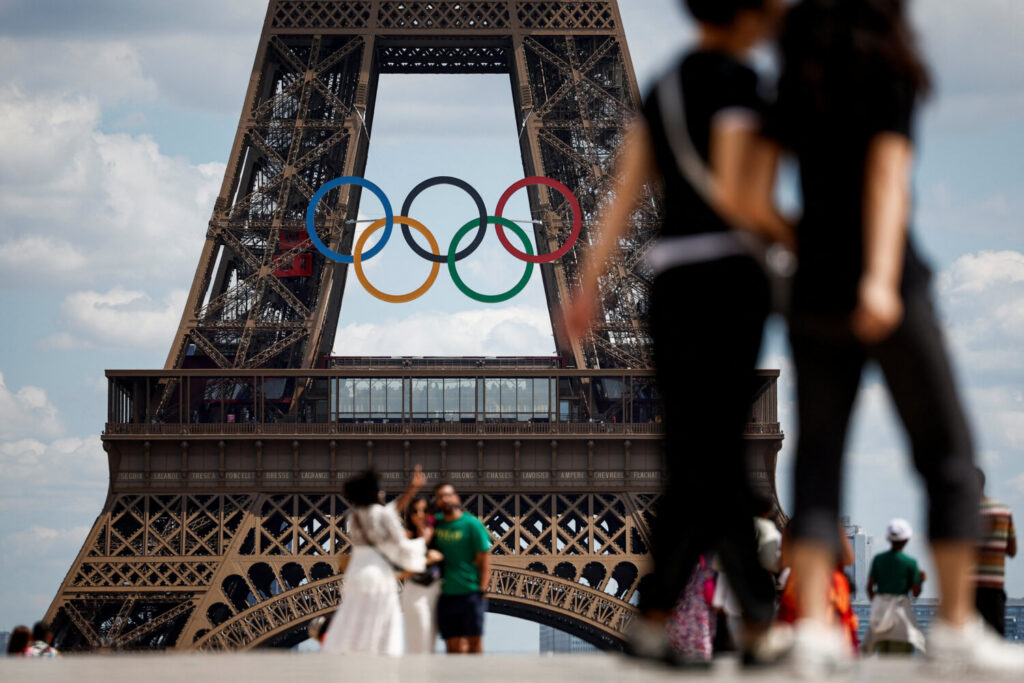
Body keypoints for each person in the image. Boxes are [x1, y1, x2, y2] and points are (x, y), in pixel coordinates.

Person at [747, 0, 1024, 673]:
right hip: (892, 280)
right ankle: (957, 626)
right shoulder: (886, 74)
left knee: (818, 460)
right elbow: (887, 179)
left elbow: (748, 193)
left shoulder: (787, 86)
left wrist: (808, 246)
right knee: (947, 451)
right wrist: (875, 275)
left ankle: (810, 626)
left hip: (812, 289)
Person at [563, 0, 793, 666]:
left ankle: (668, 614)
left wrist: (587, 285)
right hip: (730, 280)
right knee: (714, 450)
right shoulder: (748, 88)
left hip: (670, 286)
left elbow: (624, 191)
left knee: (696, 452)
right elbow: (743, 199)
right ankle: (750, 617)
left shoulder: (663, 88)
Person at [321, 467, 439, 656]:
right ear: (373, 494)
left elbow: (389, 511)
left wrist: (412, 490)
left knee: (356, 623)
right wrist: (423, 542)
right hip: (377, 576)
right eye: (379, 489)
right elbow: (400, 545)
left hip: (356, 574)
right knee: (382, 628)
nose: (383, 492)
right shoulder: (383, 515)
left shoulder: (354, 517)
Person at [431, 482, 492, 654]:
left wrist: (482, 589)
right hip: (446, 594)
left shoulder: (471, 524)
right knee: (451, 645)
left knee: (474, 642)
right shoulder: (436, 524)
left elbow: (485, 557)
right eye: (440, 497)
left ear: (456, 498)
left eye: (448, 495)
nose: (445, 499)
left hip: (470, 593)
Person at [862, 519, 926, 654]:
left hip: (881, 615)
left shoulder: (878, 559)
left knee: (881, 654)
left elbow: (869, 587)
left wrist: (878, 602)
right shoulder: (910, 563)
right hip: (900, 615)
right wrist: (920, 580)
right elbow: (915, 592)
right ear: (906, 540)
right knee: (902, 655)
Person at [975, 468, 1018, 635]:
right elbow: (1012, 550)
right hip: (994, 585)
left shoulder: (963, 513)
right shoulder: (1003, 511)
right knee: (995, 635)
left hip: (968, 586)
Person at [399, 496, 443, 654]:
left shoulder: (440, 537)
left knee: (430, 647)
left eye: (425, 511)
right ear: (409, 515)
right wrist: (425, 560)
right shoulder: (405, 539)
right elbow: (397, 573)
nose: (420, 514)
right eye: (415, 511)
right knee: (419, 645)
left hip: (437, 595)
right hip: (417, 595)